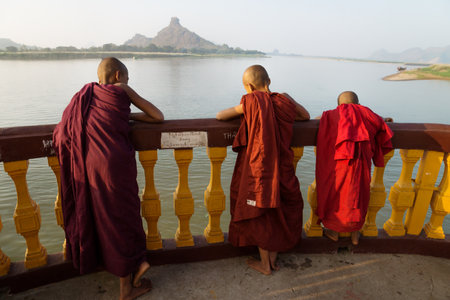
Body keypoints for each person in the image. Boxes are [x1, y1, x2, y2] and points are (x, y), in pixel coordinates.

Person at [53, 57, 164, 300]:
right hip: (115, 164)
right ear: (117, 76)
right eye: (126, 77)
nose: (125, 81)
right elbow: (157, 116)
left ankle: (132, 266)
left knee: (104, 218)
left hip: (89, 166)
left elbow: (64, 130)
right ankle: (127, 287)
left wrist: (127, 117)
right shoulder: (121, 89)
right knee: (122, 217)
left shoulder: (84, 96)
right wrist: (131, 117)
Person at [216, 65, 310, 275]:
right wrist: (287, 99)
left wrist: (247, 104)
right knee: (279, 210)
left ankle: (265, 264)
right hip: (283, 167)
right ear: (269, 80)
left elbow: (221, 115)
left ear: (249, 86)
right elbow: (305, 116)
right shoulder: (285, 100)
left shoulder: (250, 101)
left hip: (260, 169)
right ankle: (273, 260)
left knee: (262, 214)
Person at [315, 91, 393, 245]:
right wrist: (384, 118)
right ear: (358, 104)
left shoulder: (331, 115)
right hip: (360, 166)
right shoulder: (367, 114)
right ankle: (355, 234)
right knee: (359, 196)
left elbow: (319, 120)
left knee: (336, 194)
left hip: (339, 165)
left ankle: (333, 231)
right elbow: (380, 124)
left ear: (339, 105)